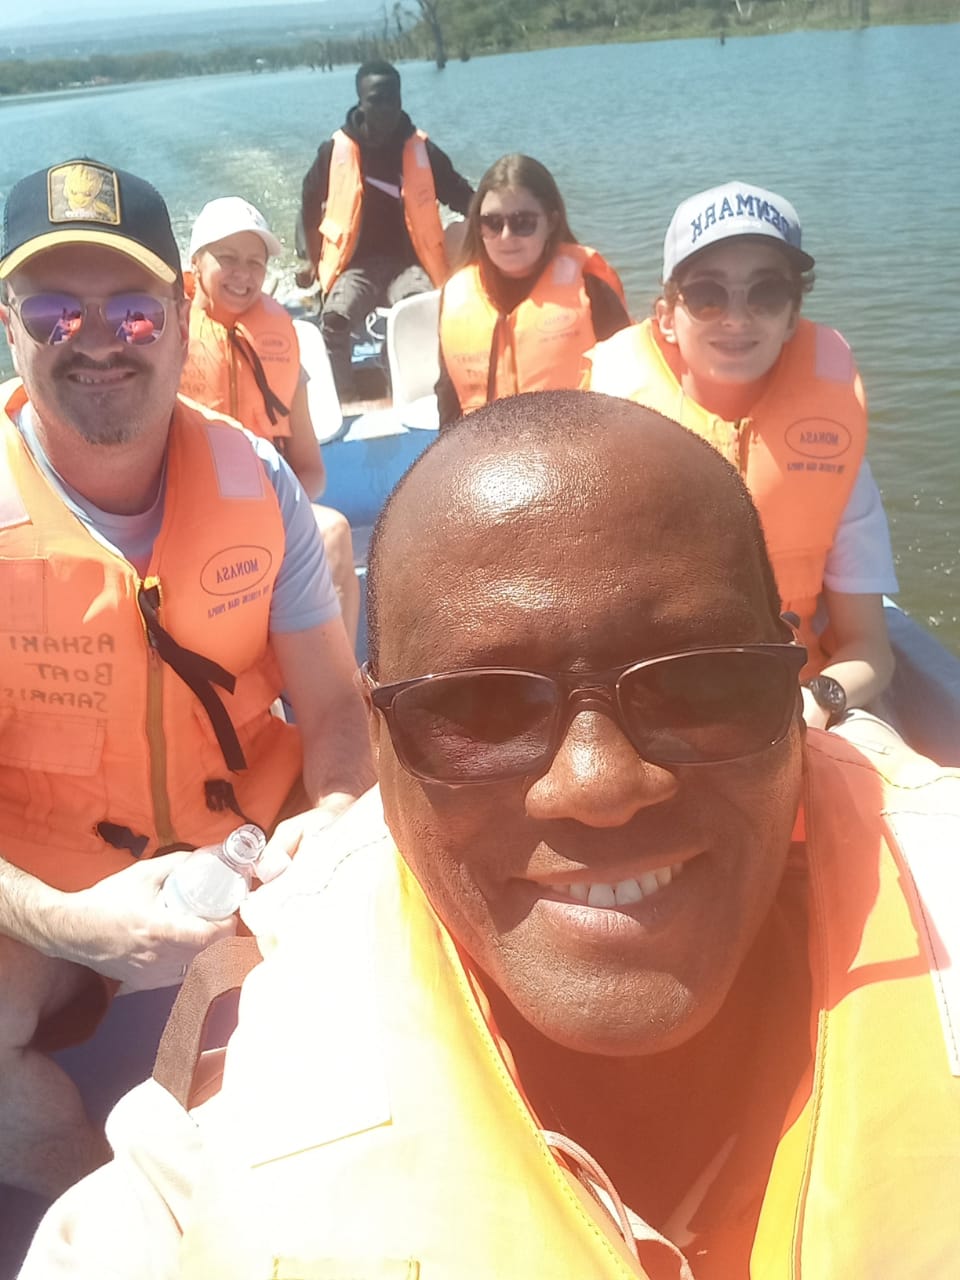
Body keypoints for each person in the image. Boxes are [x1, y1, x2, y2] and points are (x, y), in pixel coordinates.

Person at [20, 391, 960, 1278]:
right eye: (482, 707)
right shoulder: (219, 1134)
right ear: (381, 746)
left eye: (703, 682)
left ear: (794, 699)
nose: (600, 784)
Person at [0, 158, 374, 1200]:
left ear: (177, 310)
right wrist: (67, 920)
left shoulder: (255, 479)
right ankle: (127, 1231)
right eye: (53, 307)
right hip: (43, 889)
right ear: (6, 317)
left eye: (129, 309)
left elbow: (340, 708)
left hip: (255, 851)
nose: (94, 337)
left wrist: (335, 814)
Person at [587, 182, 897, 729]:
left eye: (767, 293)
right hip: (652, 705)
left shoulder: (837, 448)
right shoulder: (607, 439)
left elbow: (869, 648)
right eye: (707, 293)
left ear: (792, 317)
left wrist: (819, 701)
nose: (737, 317)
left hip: (797, 698)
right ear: (666, 317)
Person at [181, 196, 361, 645]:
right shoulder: (165, 341)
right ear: (195, 262)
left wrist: (271, 508)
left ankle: (340, 691)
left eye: (255, 263)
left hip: (267, 506)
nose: (243, 275)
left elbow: (311, 470)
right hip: (185, 510)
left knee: (335, 534)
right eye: (227, 259)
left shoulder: (279, 342)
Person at [297, 59, 474, 401]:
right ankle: (344, 398)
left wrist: (497, 221)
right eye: (377, 99)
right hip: (355, 267)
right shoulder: (334, 152)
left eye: (393, 98)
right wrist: (308, 257)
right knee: (333, 320)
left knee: (419, 312)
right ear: (360, 101)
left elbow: (460, 195)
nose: (386, 108)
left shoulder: (422, 150)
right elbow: (308, 203)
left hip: (407, 264)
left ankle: (413, 395)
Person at [437, 153, 630, 426]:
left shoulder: (590, 288)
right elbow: (448, 396)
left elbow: (629, 382)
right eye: (492, 223)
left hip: (576, 451)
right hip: (486, 453)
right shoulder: (456, 294)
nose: (506, 237)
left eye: (523, 222)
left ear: (551, 222)